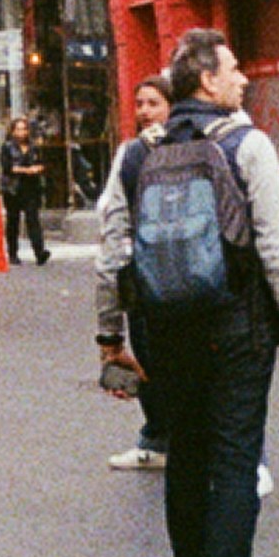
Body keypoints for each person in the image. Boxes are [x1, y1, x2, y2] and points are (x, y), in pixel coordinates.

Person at [95, 29, 279, 557]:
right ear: (207, 82)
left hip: (164, 331)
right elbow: (278, 245)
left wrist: (110, 334)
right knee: (233, 461)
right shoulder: (247, 145)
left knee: (187, 455)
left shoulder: (139, 155)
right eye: (234, 68)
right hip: (235, 328)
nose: (244, 77)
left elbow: (113, 250)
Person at [93, 78, 174, 472]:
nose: (143, 111)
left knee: (151, 363)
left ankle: (159, 440)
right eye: (139, 102)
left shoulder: (132, 155)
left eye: (153, 103)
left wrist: (108, 331)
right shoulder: (210, 146)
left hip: (147, 280)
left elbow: (112, 228)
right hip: (196, 280)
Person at [1, 117, 53, 267]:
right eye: (18, 129)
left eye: (24, 129)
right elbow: (8, 168)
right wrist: (27, 170)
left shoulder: (33, 147)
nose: (21, 132)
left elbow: (42, 163)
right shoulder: (7, 147)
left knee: (33, 219)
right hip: (13, 188)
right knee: (13, 221)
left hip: (31, 187)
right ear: (12, 131)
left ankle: (39, 251)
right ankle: (12, 253)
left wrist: (39, 169)